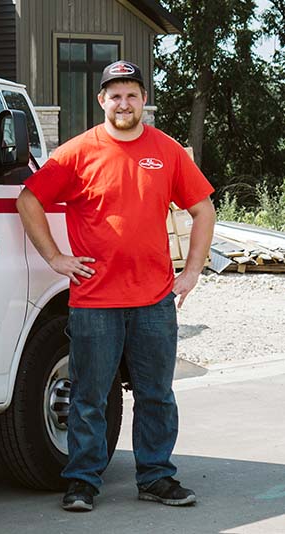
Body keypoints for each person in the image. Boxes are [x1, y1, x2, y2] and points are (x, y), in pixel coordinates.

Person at [16, 60, 216, 512]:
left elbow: (204, 210)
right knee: (90, 394)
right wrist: (54, 257)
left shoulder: (166, 151)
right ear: (101, 100)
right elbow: (29, 199)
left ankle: (157, 477)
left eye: (131, 94)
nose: (123, 103)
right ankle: (83, 481)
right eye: (115, 95)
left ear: (143, 99)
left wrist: (193, 271)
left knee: (156, 395)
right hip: (94, 300)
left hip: (154, 300)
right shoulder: (77, 152)